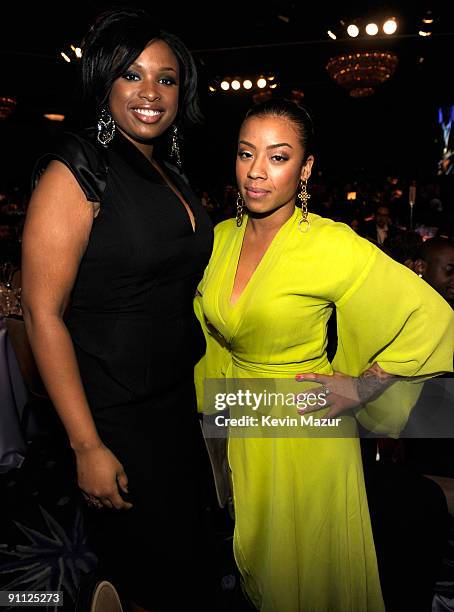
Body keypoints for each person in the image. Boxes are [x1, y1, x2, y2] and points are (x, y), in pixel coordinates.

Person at [194, 99, 454, 612]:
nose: (257, 172)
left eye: (278, 156)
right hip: (244, 417)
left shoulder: (330, 244)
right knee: (258, 563)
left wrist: (362, 386)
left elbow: (432, 315)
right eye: (247, 154)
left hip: (305, 427)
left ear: (305, 169)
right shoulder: (220, 237)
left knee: (310, 572)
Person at [21, 8, 214, 612]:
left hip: (174, 402)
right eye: (132, 75)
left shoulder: (169, 170)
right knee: (150, 571)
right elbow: (42, 312)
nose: (150, 93)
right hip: (113, 411)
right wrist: (84, 445)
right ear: (105, 83)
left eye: (167, 78)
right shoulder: (77, 167)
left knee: (189, 562)